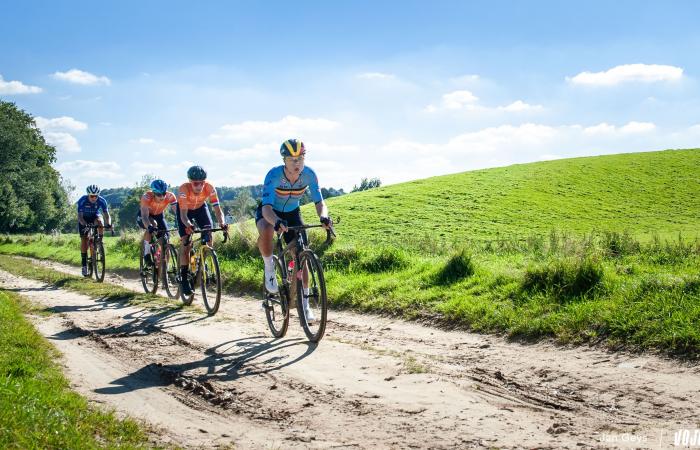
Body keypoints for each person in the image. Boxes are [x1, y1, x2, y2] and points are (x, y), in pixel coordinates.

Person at [256, 139, 333, 321]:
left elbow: (319, 202)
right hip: (270, 211)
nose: (297, 163)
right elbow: (266, 208)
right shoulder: (273, 175)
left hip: (292, 212)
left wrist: (323, 217)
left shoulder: (309, 175)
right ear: (284, 160)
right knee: (266, 230)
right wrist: (276, 222)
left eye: (301, 158)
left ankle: (305, 306)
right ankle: (269, 269)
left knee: (302, 256)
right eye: (292, 159)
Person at [177, 165, 228, 296]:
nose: (199, 186)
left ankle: (204, 262)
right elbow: (183, 215)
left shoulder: (210, 188)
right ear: (190, 182)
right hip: (185, 211)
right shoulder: (183, 189)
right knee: (186, 243)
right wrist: (188, 224)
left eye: (201, 183)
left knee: (208, 234)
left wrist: (222, 222)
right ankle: (183, 276)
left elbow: (217, 209)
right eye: (195, 183)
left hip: (200, 208)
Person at [137, 179, 177, 265]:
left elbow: (178, 212)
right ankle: (146, 253)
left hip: (159, 216)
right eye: (159, 194)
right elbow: (144, 216)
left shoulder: (170, 196)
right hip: (145, 216)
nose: (162, 197)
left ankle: (164, 270)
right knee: (152, 225)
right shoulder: (146, 197)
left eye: (164, 194)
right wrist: (149, 227)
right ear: (154, 193)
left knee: (165, 239)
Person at [77, 184, 111, 276]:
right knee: (84, 239)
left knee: (100, 222)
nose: (94, 198)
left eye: (96, 196)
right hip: (84, 218)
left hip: (95, 216)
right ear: (88, 195)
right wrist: (84, 224)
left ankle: (99, 241)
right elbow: (79, 216)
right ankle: (84, 264)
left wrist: (109, 223)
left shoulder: (102, 200)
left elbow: (106, 214)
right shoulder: (82, 200)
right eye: (92, 196)